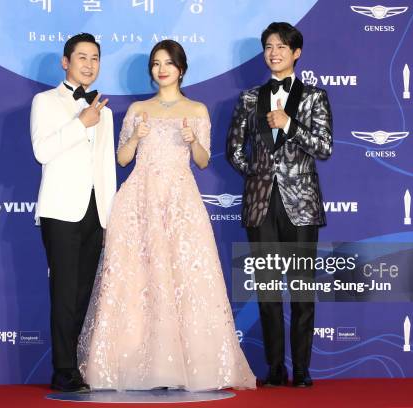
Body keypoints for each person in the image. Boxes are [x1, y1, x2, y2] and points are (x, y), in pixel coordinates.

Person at [77, 40, 256, 391]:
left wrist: (192, 140)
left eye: (168, 63)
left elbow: (203, 161)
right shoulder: (137, 110)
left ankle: (189, 367)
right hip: (139, 200)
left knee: (184, 280)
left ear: (181, 69)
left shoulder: (197, 109)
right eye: (156, 63)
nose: (162, 69)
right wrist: (135, 137)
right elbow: (123, 159)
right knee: (136, 282)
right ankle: (132, 365)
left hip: (179, 201)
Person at [227, 22, 333, 388]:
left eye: (281, 47)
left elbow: (324, 147)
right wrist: (258, 173)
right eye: (269, 46)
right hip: (260, 206)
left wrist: (289, 125)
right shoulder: (249, 98)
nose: (274, 52)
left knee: (303, 292)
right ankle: (275, 369)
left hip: (301, 206)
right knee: (267, 291)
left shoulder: (313, 97)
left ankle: (302, 370)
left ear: (296, 53)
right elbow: (234, 149)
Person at [30, 33, 116, 393]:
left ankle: (72, 364)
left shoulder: (106, 111)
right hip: (61, 211)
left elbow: (106, 169)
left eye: (95, 58)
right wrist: (81, 122)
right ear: (65, 62)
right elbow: (41, 151)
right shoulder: (45, 101)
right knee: (64, 292)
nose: (89, 64)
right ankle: (63, 370)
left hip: (95, 213)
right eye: (81, 57)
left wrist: (109, 220)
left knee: (82, 293)